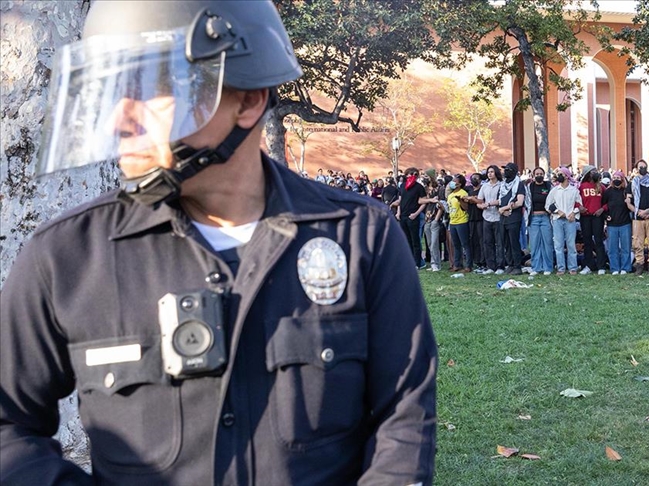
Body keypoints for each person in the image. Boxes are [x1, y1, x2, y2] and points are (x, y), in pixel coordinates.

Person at [0, 2, 437, 484]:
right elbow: (8, 426)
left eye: (149, 88)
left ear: (248, 101)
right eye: (114, 94)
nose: (121, 120)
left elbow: (404, 417)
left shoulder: (361, 236)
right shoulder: (66, 257)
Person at [547, 167, 581, 274]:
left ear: (567, 176)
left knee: (571, 244)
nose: (559, 176)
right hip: (557, 220)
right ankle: (561, 267)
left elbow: (579, 204)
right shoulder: (554, 190)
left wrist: (574, 212)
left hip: (570, 220)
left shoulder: (574, 190)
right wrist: (557, 211)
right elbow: (548, 205)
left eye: (561, 174)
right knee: (558, 244)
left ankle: (573, 267)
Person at [630, 159, 649, 275]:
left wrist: (647, 211)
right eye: (640, 167)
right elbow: (628, 202)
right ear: (636, 168)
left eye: (644, 166)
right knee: (638, 242)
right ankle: (639, 264)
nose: (642, 168)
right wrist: (639, 212)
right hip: (638, 217)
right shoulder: (632, 183)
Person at [498, 162, 527, 275]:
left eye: (508, 169)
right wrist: (498, 208)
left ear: (514, 172)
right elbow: (499, 200)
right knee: (506, 243)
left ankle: (517, 266)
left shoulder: (519, 185)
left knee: (514, 242)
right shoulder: (503, 185)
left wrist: (504, 208)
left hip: (513, 217)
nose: (505, 171)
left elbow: (519, 202)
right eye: (505, 169)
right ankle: (510, 264)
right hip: (503, 218)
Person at [577, 165, 607, 275]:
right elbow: (576, 199)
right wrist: (579, 207)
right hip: (585, 217)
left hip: (597, 217)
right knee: (587, 241)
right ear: (588, 173)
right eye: (593, 171)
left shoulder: (601, 187)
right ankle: (588, 265)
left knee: (599, 241)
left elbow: (607, 202)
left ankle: (601, 266)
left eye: (596, 170)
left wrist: (602, 209)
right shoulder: (582, 187)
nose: (596, 172)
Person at [395, 167, 427, 269]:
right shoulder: (403, 186)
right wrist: (398, 212)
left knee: (415, 240)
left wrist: (416, 214)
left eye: (413, 174)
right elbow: (400, 200)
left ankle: (417, 263)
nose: (410, 176)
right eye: (408, 174)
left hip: (413, 216)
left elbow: (424, 202)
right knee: (406, 239)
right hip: (403, 216)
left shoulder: (419, 187)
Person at [477, 165, 506, 275]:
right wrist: (481, 206)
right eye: (488, 172)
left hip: (498, 217)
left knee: (499, 243)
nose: (490, 174)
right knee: (487, 242)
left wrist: (489, 204)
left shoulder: (502, 185)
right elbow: (479, 201)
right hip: (487, 217)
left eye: (492, 172)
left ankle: (500, 266)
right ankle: (490, 266)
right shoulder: (484, 186)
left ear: (496, 173)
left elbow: (501, 200)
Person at [603, 170, 633, 275]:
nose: (616, 180)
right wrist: (606, 216)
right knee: (612, 248)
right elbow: (603, 206)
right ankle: (614, 268)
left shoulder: (626, 191)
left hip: (625, 223)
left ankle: (625, 267)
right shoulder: (608, 192)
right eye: (614, 178)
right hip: (612, 225)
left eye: (618, 178)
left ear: (622, 179)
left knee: (626, 247)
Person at [527, 167, 554, 275]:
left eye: (541, 173)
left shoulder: (548, 186)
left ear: (544, 175)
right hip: (533, 218)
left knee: (547, 243)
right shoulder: (530, 187)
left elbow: (553, 200)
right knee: (534, 244)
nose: (539, 175)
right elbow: (527, 202)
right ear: (533, 176)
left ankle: (548, 267)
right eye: (537, 174)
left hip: (546, 218)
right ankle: (536, 268)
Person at [446, 175, 472, 272]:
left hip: (462, 221)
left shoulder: (463, 193)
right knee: (456, 244)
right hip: (452, 221)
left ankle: (468, 265)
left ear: (460, 184)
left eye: (454, 181)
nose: (452, 182)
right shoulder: (450, 195)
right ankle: (457, 264)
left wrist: (460, 200)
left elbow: (466, 207)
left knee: (465, 244)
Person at [423, 179, 444, 271]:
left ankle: (436, 264)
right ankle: (433, 262)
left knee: (434, 242)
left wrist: (436, 219)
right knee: (429, 243)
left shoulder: (439, 190)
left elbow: (441, 206)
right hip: (427, 219)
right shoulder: (426, 190)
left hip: (435, 219)